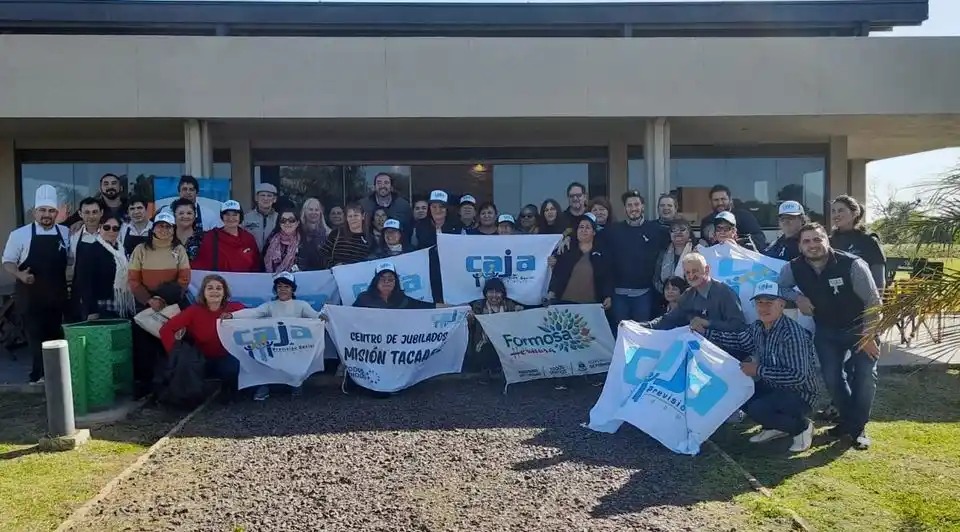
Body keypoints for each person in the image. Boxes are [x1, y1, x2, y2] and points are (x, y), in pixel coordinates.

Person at [777, 223, 882, 450]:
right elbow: (781, 288)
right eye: (807, 241)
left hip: (860, 330)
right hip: (826, 332)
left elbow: (874, 302)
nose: (813, 245)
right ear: (800, 245)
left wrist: (868, 335)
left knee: (865, 378)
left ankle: (858, 429)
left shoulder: (853, 265)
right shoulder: (793, 268)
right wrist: (798, 298)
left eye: (817, 239)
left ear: (827, 241)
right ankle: (847, 422)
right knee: (832, 379)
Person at [703, 280, 821, 453]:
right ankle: (776, 426)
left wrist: (758, 370)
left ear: (781, 305)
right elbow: (738, 340)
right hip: (774, 386)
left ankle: (802, 427)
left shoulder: (793, 334)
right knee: (740, 393)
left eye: (769, 303)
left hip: (800, 394)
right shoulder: (758, 327)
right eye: (760, 303)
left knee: (758, 408)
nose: (764, 308)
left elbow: (798, 376)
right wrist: (705, 333)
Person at [2, 185, 70, 383]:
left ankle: (56, 377)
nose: (46, 215)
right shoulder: (19, 234)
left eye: (51, 211)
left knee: (56, 337)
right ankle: (38, 376)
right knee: (35, 338)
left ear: (57, 213)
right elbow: (7, 261)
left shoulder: (65, 232)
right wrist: (20, 275)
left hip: (56, 296)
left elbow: (72, 259)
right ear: (34, 212)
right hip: (30, 297)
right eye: (42, 210)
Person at [225, 272, 321, 401]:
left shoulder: (301, 305)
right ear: (275, 289)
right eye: (279, 286)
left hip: (294, 346)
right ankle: (264, 386)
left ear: (292, 289)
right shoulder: (270, 305)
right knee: (261, 357)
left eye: (286, 286)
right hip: (274, 345)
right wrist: (233, 316)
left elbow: (316, 317)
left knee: (299, 362)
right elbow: (254, 313)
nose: (282, 289)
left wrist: (323, 317)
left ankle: (297, 385)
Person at [128, 210, 191, 396]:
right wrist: (148, 299)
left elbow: (184, 278)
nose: (163, 229)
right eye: (160, 225)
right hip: (146, 304)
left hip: (171, 304)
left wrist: (163, 298)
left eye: (168, 226)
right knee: (143, 347)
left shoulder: (179, 250)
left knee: (170, 345)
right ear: (153, 228)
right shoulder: (140, 249)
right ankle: (145, 385)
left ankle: (170, 385)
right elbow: (133, 279)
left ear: (173, 229)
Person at [159, 274, 245, 400]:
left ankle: (229, 388)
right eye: (210, 288)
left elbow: (257, 318)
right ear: (203, 292)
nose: (214, 291)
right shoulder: (194, 311)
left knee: (232, 366)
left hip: (228, 357)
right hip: (202, 359)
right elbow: (166, 330)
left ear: (224, 292)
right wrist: (175, 354)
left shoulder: (236, 308)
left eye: (218, 288)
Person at [639, 253, 747, 339]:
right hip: (697, 349)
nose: (691, 276)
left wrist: (708, 323)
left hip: (723, 352)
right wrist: (639, 327)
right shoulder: (688, 294)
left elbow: (739, 326)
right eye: (687, 272)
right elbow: (668, 319)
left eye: (695, 271)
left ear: (707, 270)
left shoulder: (724, 293)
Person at [603, 191, 669, 324]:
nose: (633, 208)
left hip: (644, 294)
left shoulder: (656, 230)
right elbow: (606, 263)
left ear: (643, 206)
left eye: (637, 204)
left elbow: (675, 242)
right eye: (629, 205)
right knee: (620, 333)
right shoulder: (613, 231)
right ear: (624, 208)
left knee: (642, 333)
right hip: (619, 294)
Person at [546, 213, 613, 310]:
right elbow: (558, 274)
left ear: (594, 232)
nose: (583, 230)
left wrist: (608, 296)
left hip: (592, 305)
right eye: (581, 227)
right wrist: (551, 293)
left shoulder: (602, 253)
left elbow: (608, 276)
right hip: (565, 304)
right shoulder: (567, 251)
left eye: (587, 228)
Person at [76, 215, 137, 320]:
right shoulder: (91, 250)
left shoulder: (122, 250)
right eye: (107, 227)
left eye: (115, 228)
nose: (111, 231)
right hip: (101, 306)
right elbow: (84, 282)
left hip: (123, 304)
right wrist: (92, 310)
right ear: (100, 227)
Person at [412, 190, 465, 303]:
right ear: (429, 209)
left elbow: (464, 249)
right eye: (434, 207)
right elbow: (413, 250)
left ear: (447, 209)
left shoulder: (457, 226)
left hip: (452, 275)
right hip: (428, 275)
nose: (437, 210)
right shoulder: (420, 226)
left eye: (441, 207)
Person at [468, 277, 523, 375]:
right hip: (484, 343)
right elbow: (470, 325)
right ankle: (486, 371)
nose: (494, 295)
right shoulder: (478, 306)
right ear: (485, 293)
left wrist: (519, 312)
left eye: (497, 292)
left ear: (503, 294)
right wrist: (470, 318)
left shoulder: (510, 305)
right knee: (487, 349)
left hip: (507, 343)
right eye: (490, 292)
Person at [830, 195, 886, 291]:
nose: (836, 215)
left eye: (840, 210)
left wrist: (875, 302)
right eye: (833, 211)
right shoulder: (828, 242)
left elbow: (879, 279)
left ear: (854, 213)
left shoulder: (869, 241)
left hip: (863, 299)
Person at [192, 200, 262, 273]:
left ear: (240, 216)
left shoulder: (248, 238)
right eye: (227, 214)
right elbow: (201, 263)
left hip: (244, 282)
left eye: (235, 214)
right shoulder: (211, 237)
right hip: (219, 282)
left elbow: (256, 265)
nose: (231, 218)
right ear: (222, 216)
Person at [67, 197, 104, 320]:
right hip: (81, 295)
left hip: (107, 293)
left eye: (94, 212)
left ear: (101, 213)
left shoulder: (112, 233)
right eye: (87, 212)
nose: (91, 216)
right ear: (80, 214)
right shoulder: (73, 236)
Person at [699, 185, 767, 250]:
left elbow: (760, 239)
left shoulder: (744, 216)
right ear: (710, 202)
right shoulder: (706, 221)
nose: (720, 203)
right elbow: (703, 243)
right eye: (716, 200)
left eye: (723, 199)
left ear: (730, 200)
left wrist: (737, 243)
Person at [263, 207, 321, 273]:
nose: (287, 223)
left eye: (291, 220)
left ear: (297, 223)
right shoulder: (270, 240)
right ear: (279, 223)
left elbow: (314, 267)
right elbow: (262, 264)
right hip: (273, 280)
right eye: (283, 220)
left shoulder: (307, 242)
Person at [320, 202, 372, 268]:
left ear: (363, 216)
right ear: (346, 218)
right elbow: (323, 254)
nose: (353, 219)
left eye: (356, 215)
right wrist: (334, 265)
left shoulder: (369, 239)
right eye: (350, 216)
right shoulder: (336, 234)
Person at [655, 219, 696, 295]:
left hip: (691, 298)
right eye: (673, 230)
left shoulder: (697, 252)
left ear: (689, 232)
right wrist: (668, 293)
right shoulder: (663, 254)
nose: (678, 233)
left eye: (682, 229)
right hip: (666, 299)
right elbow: (656, 279)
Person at [243, 183, 279, 251]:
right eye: (262, 195)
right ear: (256, 198)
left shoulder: (280, 219)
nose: (265, 198)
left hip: (273, 260)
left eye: (269, 196)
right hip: (251, 258)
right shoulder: (245, 218)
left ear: (274, 199)